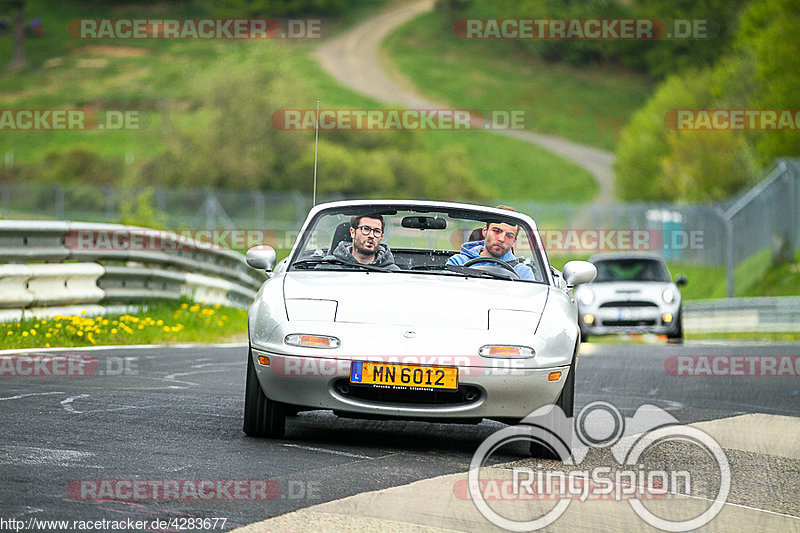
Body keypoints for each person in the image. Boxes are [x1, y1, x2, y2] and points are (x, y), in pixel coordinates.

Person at [447, 207, 534, 280]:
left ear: (514, 241)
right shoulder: (458, 262)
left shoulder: (523, 272)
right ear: (485, 231)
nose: (501, 239)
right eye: (496, 231)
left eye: (509, 235)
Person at [325, 214, 400, 270]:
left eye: (377, 231)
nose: (371, 235)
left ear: (381, 237)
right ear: (352, 232)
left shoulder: (394, 273)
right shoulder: (328, 269)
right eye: (366, 229)